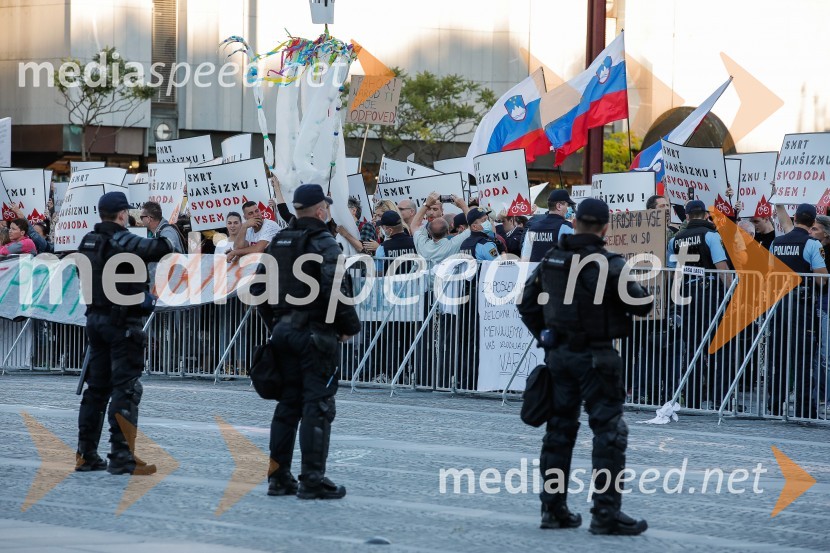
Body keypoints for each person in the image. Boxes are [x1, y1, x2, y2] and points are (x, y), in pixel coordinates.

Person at [518, 198, 653, 535]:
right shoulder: (610, 263)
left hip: (559, 358)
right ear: (605, 228)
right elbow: (640, 304)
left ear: (574, 221)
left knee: (559, 432)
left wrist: (546, 336)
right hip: (596, 359)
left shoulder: (552, 258)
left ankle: (553, 510)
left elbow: (526, 304)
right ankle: (605, 514)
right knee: (609, 434)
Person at [259, 184, 361, 499]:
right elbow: (337, 289)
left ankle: (278, 479)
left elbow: (259, 288)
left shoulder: (278, 242)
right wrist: (348, 327)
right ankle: (312, 480)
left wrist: (276, 325)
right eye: (326, 207)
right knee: (317, 406)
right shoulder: (325, 242)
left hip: (284, 333)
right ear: (320, 211)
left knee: (287, 406)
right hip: (316, 335)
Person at [75, 192, 174, 475]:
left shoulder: (88, 241)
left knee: (97, 390)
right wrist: (171, 227)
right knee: (126, 388)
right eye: (128, 214)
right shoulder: (121, 239)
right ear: (121, 215)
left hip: (95, 321)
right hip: (120, 326)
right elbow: (162, 248)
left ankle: (86, 454)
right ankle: (121, 456)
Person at [666, 200, 732, 409]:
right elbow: (722, 269)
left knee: (693, 348)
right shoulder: (711, 236)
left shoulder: (674, 240)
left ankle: (693, 399)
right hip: (710, 295)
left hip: (686, 295)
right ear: (705, 215)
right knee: (719, 347)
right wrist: (733, 292)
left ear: (686, 217)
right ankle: (721, 399)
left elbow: (671, 272)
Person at [768, 203, 827, 418]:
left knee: (779, 356)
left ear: (794, 218)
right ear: (812, 222)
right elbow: (821, 278)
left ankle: (774, 404)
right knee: (803, 358)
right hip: (802, 307)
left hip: (780, 304)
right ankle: (804, 409)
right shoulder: (811, 244)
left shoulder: (776, 242)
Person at [521, 189, 575, 261]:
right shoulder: (566, 227)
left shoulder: (532, 228)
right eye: (567, 205)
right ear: (559, 206)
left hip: (534, 271)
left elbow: (525, 259)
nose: (567, 209)